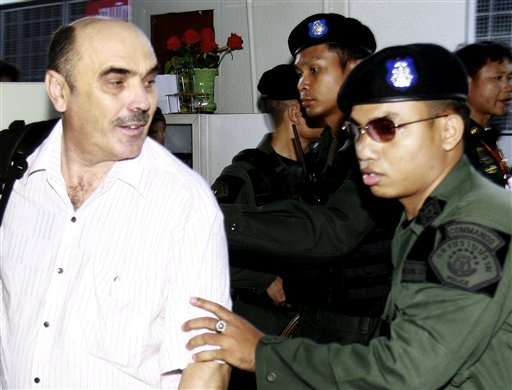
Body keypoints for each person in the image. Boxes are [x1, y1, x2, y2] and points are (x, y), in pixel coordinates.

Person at [183, 43, 512, 389]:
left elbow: (405, 372)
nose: (365, 148)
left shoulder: (469, 226)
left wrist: (261, 353)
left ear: (448, 131)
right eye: (358, 130)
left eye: (386, 128)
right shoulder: (425, 214)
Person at [0, 17, 231, 389]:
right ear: (59, 91)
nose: (142, 101)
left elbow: (205, 365)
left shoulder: (183, 202)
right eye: (116, 82)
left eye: (149, 81)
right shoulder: (13, 175)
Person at [220, 13, 399, 346]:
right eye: (300, 72)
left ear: (356, 71)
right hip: (319, 319)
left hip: (360, 331)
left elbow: (331, 232)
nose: (302, 83)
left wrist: (210, 217)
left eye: (315, 70)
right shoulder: (332, 146)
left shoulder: (375, 142)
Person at [212, 62, 324, 390]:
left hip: (309, 334)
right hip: (260, 333)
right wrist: (261, 280)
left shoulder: (324, 173)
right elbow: (203, 246)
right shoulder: (245, 175)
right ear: (294, 111)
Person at [455, 41, 512, 189]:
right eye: (498, 78)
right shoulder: (455, 142)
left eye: (509, 78)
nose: (508, 87)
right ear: (466, 83)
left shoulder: (487, 136)